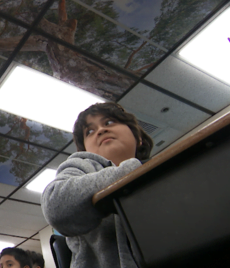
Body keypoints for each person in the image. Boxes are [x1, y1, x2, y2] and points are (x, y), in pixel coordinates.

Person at [41, 102, 153, 268]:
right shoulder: (82, 167)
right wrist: (131, 171)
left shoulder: (167, 172)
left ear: (139, 138)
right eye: (90, 131)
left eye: (108, 122)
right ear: (85, 149)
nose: (101, 130)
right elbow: (55, 206)